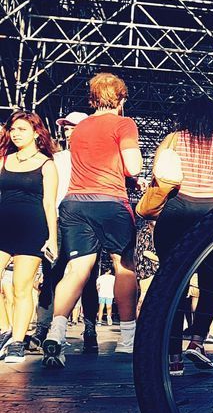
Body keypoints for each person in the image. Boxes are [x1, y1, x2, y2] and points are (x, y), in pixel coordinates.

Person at [45, 74, 142, 367]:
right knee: (123, 267)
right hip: (111, 203)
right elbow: (133, 166)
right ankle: (127, 342)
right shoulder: (124, 124)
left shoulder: (81, 127)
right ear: (122, 98)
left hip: (75, 204)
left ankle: (56, 333)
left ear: (92, 99)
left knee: (75, 270)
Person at [151, 96, 213, 376]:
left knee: (174, 285)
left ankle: (173, 358)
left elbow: (159, 177)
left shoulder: (173, 139)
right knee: (210, 284)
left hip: (176, 212)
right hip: (211, 218)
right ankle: (198, 341)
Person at [31, 111, 99, 355]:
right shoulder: (57, 158)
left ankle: (90, 330)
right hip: (58, 220)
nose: (68, 131)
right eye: (66, 127)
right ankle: (42, 329)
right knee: (51, 274)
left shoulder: (96, 158)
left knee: (87, 277)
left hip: (86, 221)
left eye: (73, 127)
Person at [0, 111, 59, 365]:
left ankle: (17, 343)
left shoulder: (47, 164)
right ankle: (6, 330)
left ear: (36, 132)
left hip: (32, 229)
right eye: (13, 129)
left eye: (22, 129)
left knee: (21, 287)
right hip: (3, 227)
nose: (15, 133)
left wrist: (53, 240)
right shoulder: (3, 160)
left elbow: (49, 204)